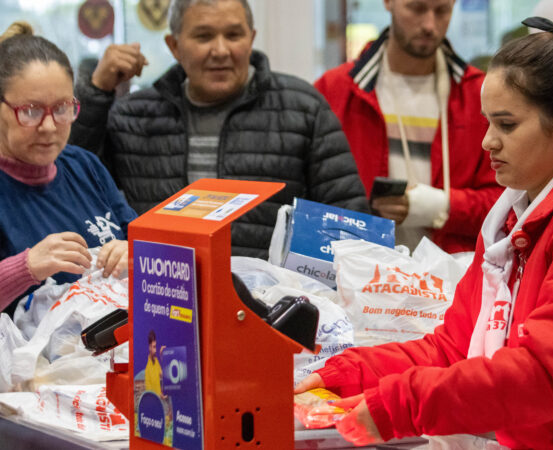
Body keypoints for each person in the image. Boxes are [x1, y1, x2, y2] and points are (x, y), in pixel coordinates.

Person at [295, 1, 553, 447]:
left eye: (506, 124)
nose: (488, 140)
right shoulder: (516, 219)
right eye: (488, 121)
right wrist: (337, 376)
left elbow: (544, 377)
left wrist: (399, 405)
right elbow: (452, 347)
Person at [70, 0, 368, 259]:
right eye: (204, 36)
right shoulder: (134, 117)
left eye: (234, 35)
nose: (221, 50)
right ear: (174, 46)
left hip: (273, 306)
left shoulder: (303, 108)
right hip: (162, 298)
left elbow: (350, 222)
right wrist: (97, 92)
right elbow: (74, 181)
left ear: (251, 39)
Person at [314, 0, 501, 253]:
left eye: (442, 10)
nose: (429, 25)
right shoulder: (333, 91)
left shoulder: (481, 95)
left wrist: (438, 206)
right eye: (417, 8)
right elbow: (311, 199)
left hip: (451, 279)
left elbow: (507, 205)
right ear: (388, 3)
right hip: (355, 274)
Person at [0, 22, 136, 314]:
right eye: (31, 111)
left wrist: (135, 253)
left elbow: (142, 239)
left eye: (61, 108)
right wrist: (25, 268)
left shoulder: (84, 165)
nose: (49, 127)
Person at [144, 330, 166, 397]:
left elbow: (163, 375)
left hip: (160, 399)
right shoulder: (147, 369)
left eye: (155, 346)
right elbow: (150, 394)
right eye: (154, 347)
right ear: (149, 347)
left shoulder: (156, 361)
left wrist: (163, 357)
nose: (156, 350)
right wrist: (160, 396)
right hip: (155, 402)